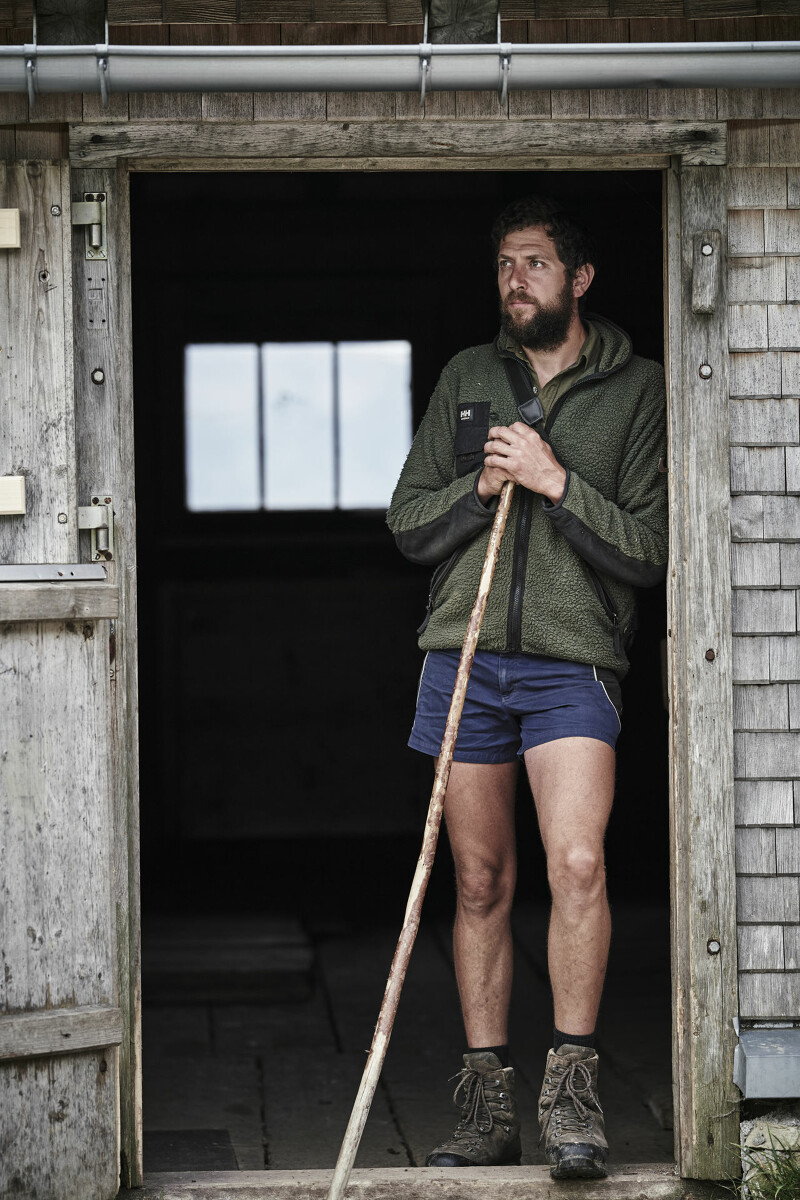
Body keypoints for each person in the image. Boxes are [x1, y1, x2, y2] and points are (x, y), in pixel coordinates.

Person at [386, 196, 668, 1181]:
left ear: (578, 278)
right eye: (504, 263)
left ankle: (573, 1102)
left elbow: (645, 551)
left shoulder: (638, 390)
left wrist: (552, 480)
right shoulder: (468, 378)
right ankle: (486, 1109)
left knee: (577, 865)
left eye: (536, 263)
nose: (516, 279)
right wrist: (478, 489)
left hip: (569, 663)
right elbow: (405, 521)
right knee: (477, 883)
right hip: (460, 659)